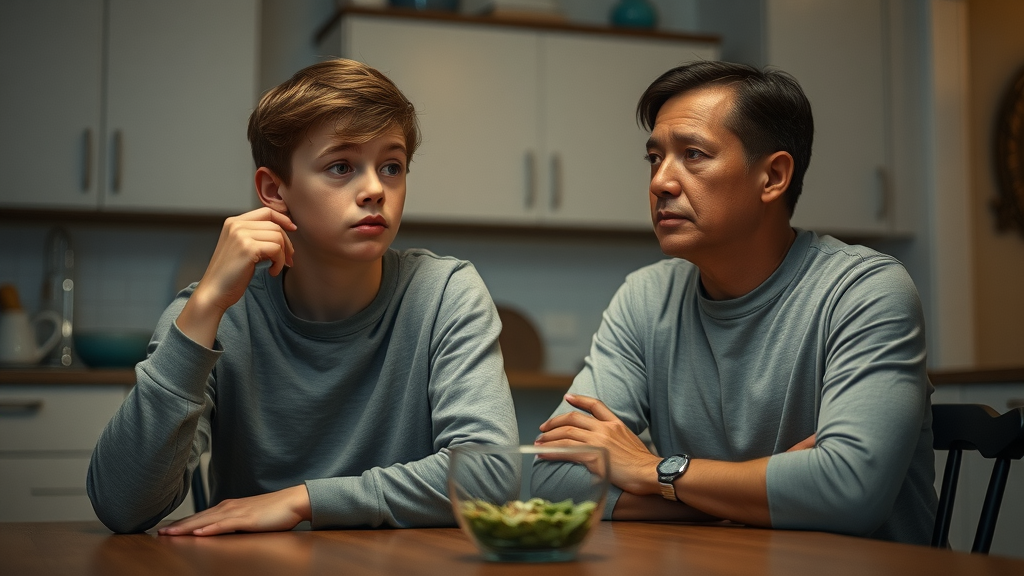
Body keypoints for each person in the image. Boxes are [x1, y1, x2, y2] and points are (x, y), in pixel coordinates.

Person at [87, 58, 519, 535]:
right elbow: (121, 505)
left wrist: (303, 501)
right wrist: (205, 305)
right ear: (274, 189)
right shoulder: (219, 315)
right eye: (341, 166)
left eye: (391, 167)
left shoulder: (446, 293)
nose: (375, 189)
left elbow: (489, 476)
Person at [531, 60, 936, 544]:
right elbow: (555, 482)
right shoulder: (645, 299)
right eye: (655, 158)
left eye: (693, 154)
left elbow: (850, 490)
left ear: (773, 177)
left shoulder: (865, 291)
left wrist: (653, 470)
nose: (660, 182)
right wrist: (755, 496)